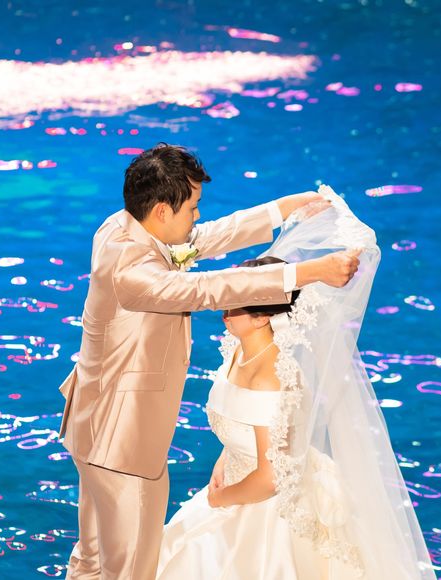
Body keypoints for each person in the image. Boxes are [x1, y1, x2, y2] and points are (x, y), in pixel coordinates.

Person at [58, 144, 360, 580]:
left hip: (91, 426)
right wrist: (310, 272)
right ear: (162, 210)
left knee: (91, 559)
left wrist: (286, 208)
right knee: (130, 570)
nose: (198, 217)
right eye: (193, 208)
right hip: (124, 445)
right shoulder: (133, 273)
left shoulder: (120, 228)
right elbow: (208, 289)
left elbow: (207, 238)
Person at [156, 187, 436, 580]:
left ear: (262, 317)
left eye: (236, 304)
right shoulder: (238, 351)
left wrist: (221, 500)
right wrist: (224, 461)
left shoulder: (270, 378)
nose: (224, 307)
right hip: (235, 480)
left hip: (265, 508)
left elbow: (271, 478)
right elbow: (244, 429)